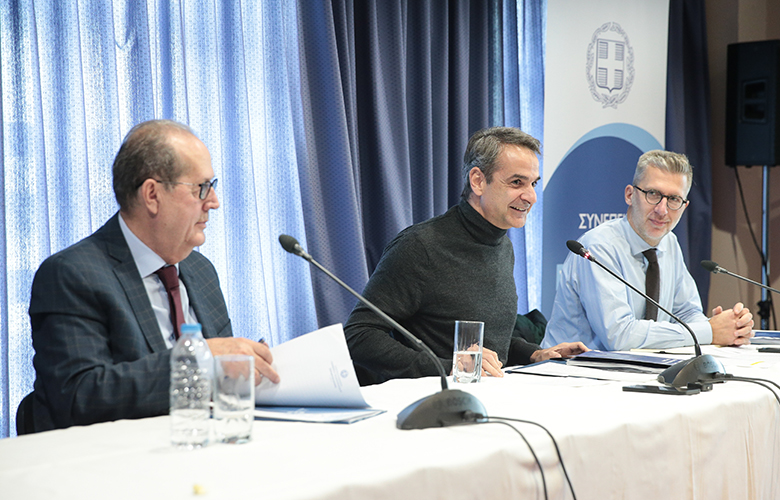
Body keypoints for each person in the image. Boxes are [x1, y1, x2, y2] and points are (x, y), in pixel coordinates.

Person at [28, 119, 280, 432]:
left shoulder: (200, 271)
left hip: (205, 442)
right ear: (152, 194)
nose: (214, 202)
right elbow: (81, 396)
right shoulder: (72, 275)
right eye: (202, 188)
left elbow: (220, 377)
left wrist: (246, 367)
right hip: (118, 453)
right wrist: (199, 360)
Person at [344, 127, 587, 385]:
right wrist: (448, 367)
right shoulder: (420, 246)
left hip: (491, 396)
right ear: (478, 181)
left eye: (533, 183)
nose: (531, 197)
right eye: (517, 182)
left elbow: (489, 342)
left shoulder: (503, 246)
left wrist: (535, 354)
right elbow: (358, 335)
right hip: (437, 401)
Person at [542, 150, 754, 351]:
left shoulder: (669, 242)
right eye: (653, 194)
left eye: (674, 199)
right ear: (629, 195)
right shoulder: (599, 248)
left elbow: (686, 312)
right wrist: (708, 332)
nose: (662, 210)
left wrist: (724, 328)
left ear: (684, 207)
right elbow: (619, 336)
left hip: (631, 368)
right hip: (569, 369)